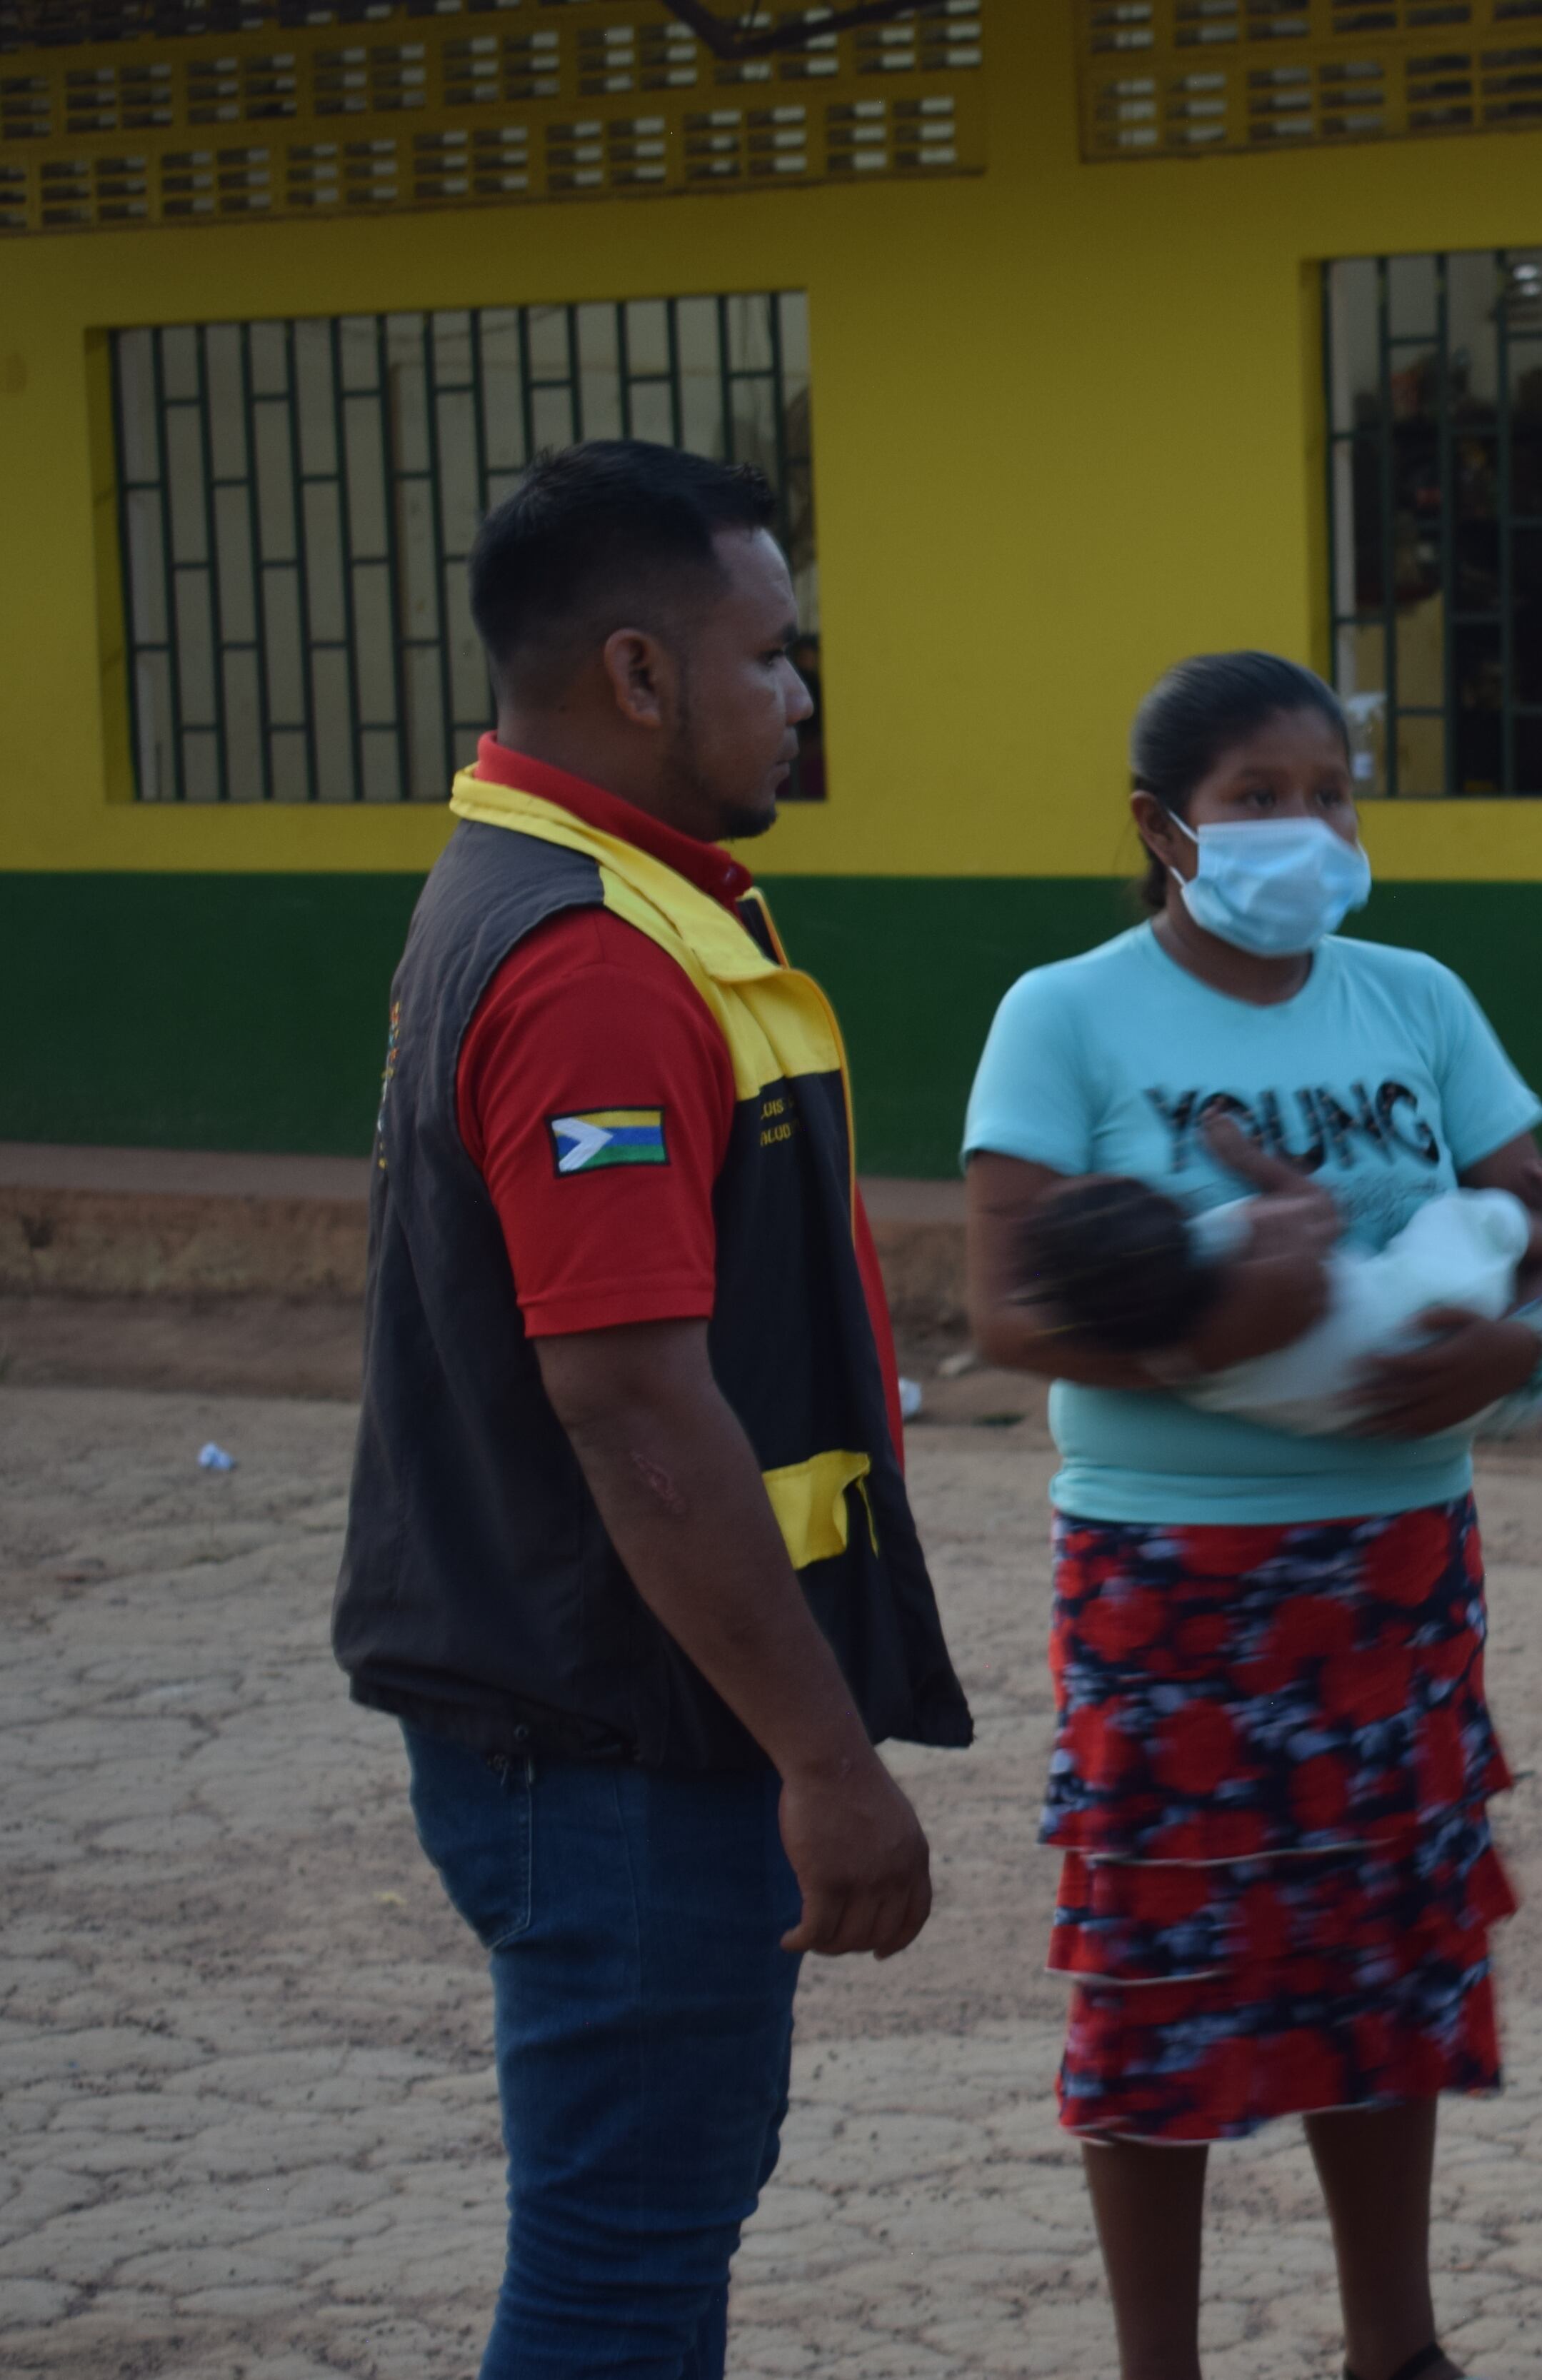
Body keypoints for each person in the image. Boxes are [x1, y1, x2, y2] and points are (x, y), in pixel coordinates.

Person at [331, 439, 974, 2378]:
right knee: (622, 2259)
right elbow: (629, 1403)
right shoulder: (593, 961)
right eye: (771, 655)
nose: (796, 695)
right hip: (616, 1738)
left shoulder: (585, 897)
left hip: (588, 1716)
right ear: (635, 672)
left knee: (650, 2225)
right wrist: (828, 1760)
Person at [960, 650, 1542, 2380]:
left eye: (1331, 794)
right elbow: (1009, 1311)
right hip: (1169, 1571)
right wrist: (1204, 1331)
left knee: (1382, 1959)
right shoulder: (1068, 1013)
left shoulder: (1412, 1000)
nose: (1304, 829)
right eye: (1258, 799)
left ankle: (1397, 2348)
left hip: (1395, 1565)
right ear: (1166, 826)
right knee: (1162, 1967)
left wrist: (1516, 1355)